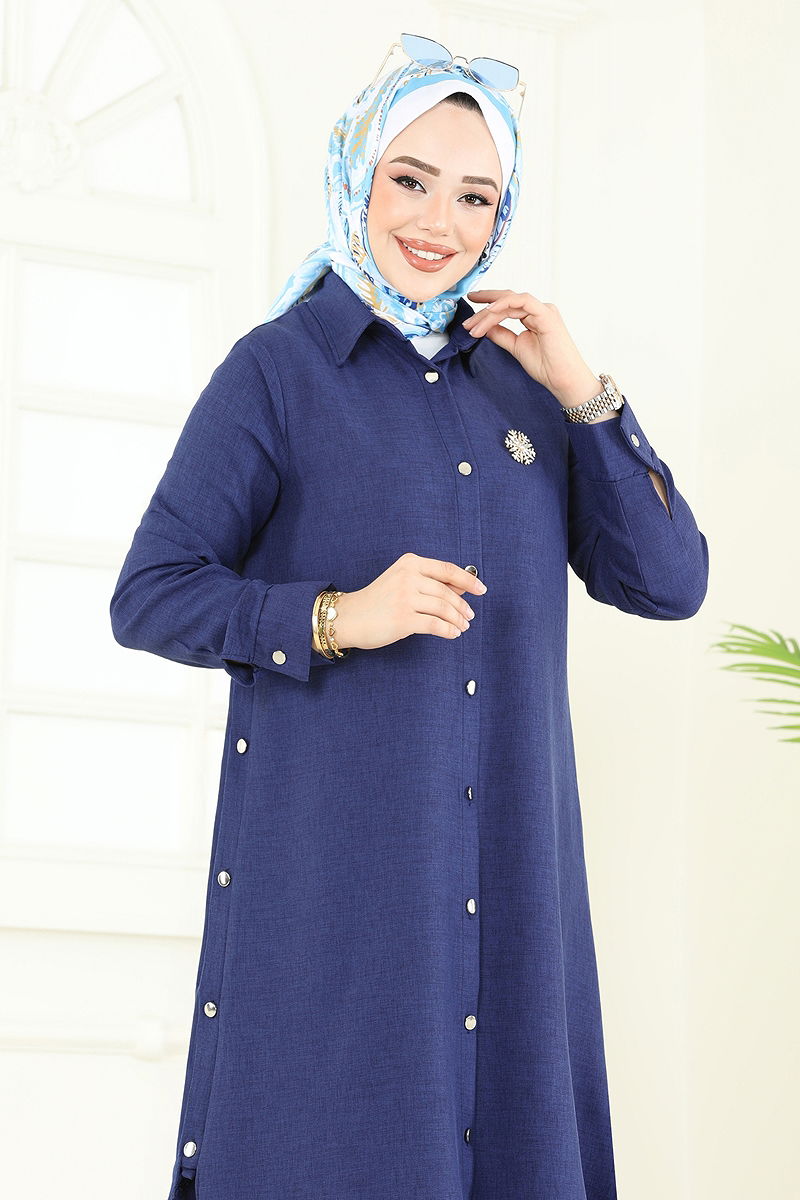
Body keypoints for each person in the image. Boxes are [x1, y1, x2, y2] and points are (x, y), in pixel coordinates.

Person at [109, 33, 709, 1200]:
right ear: (357, 174)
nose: (440, 222)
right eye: (411, 180)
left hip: (512, 901)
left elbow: (667, 580)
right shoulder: (279, 372)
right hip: (345, 903)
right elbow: (152, 592)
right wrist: (338, 615)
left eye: (475, 195)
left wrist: (582, 391)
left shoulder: (523, 389)